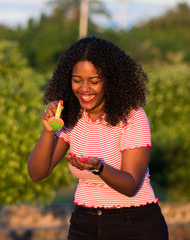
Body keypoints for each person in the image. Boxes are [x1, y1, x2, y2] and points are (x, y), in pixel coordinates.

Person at [27, 36, 169, 239]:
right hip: (84, 223)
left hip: (133, 224)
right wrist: (49, 131)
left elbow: (130, 185)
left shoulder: (131, 116)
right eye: (77, 80)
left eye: (94, 81)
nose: (84, 89)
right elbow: (37, 173)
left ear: (110, 81)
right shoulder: (70, 117)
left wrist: (98, 167)